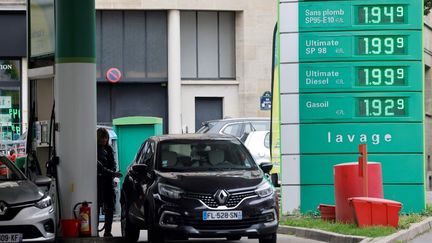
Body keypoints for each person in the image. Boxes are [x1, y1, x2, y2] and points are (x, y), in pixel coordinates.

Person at [97, 128, 122, 237]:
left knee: (110, 207)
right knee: (97, 207)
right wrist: (113, 173)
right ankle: (95, 230)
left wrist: (113, 172)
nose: (104, 140)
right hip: (99, 182)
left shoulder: (109, 149)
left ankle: (108, 231)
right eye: (102, 138)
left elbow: (113, 164)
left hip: (108, 182)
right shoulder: (95, 150)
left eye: (106, 138)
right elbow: (99, 168)